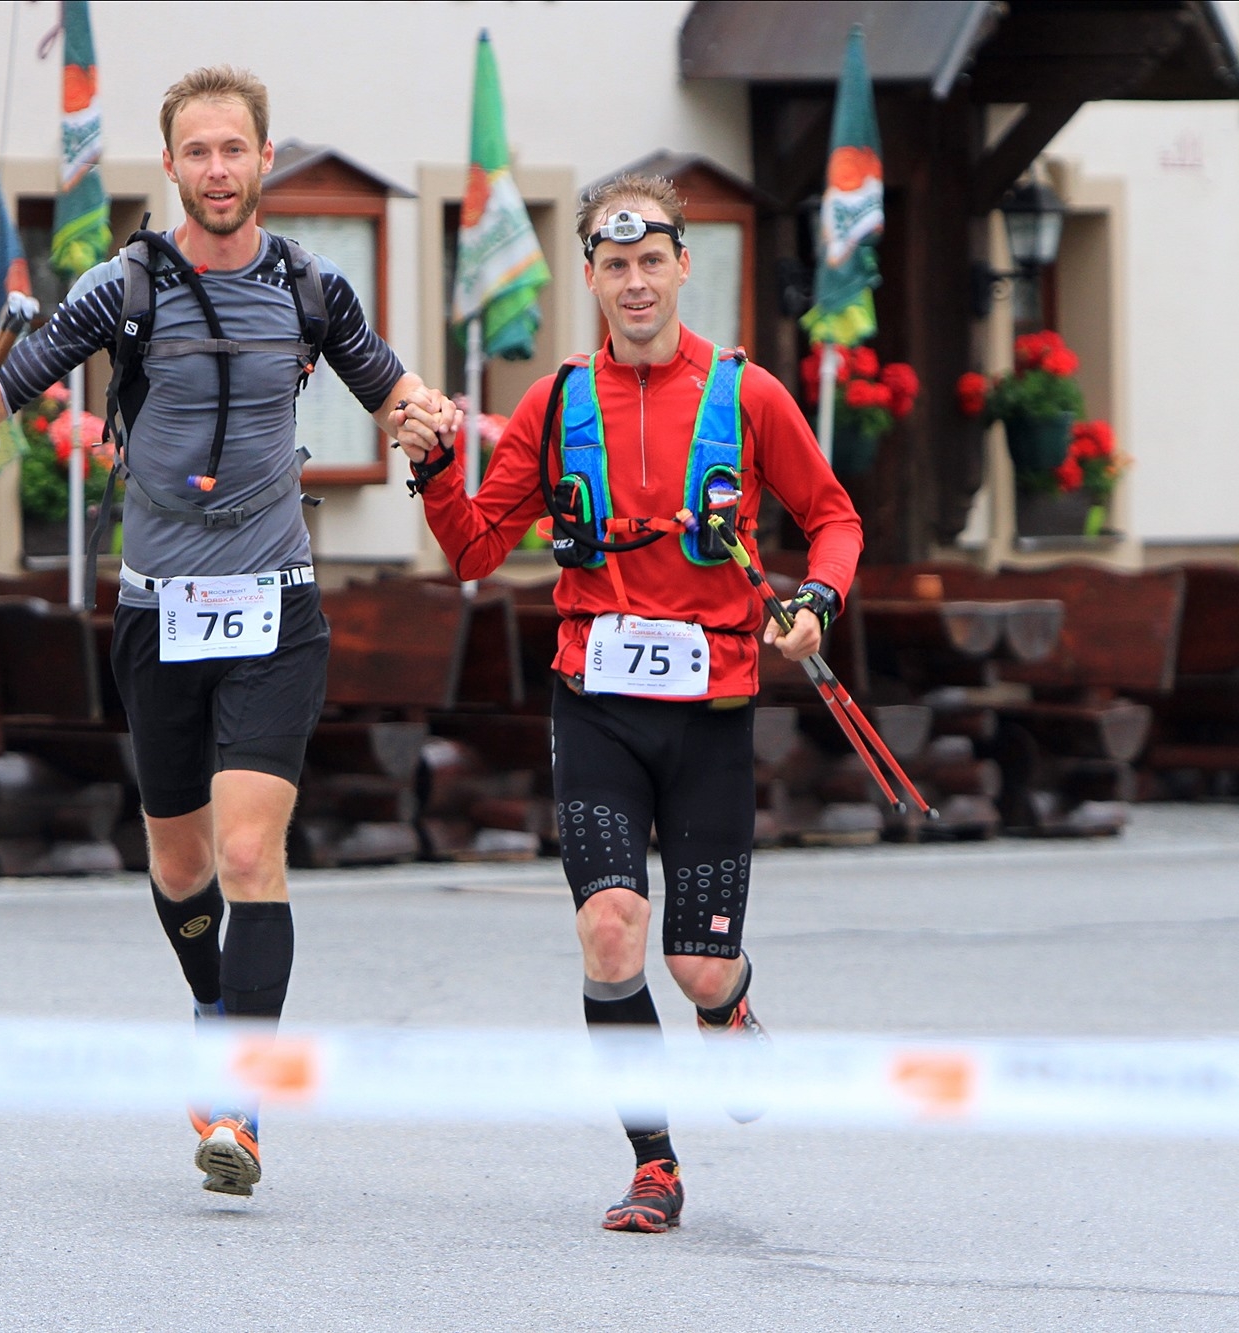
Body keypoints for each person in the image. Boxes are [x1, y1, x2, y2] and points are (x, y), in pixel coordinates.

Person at [0, 65, 457, 1198]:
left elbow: (394, 389)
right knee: (178, 869)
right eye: (198, 152)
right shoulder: (120, 287)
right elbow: (9, 381)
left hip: (275, 605)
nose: (218, 169)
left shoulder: (312, 286)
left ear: (266, 161)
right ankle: (213, 1007)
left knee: (243, 851)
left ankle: (240, 1094)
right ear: (169, 166)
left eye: (236, 149)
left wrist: (427, 413)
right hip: (158, 611)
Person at [397, 172, 861, 1232]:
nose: (634, 282)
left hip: (710, 707)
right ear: (591, 277)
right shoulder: (556, 400)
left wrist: (814, 602)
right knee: (610, 932)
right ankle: (653, 1162)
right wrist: (431, 469)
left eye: (651, 261)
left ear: (681, 267)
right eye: (614, 265)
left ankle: (730, 1005)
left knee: (694, 964)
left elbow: (833, 517)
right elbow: (473, 548)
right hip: (594, 703)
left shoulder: (747, 393)